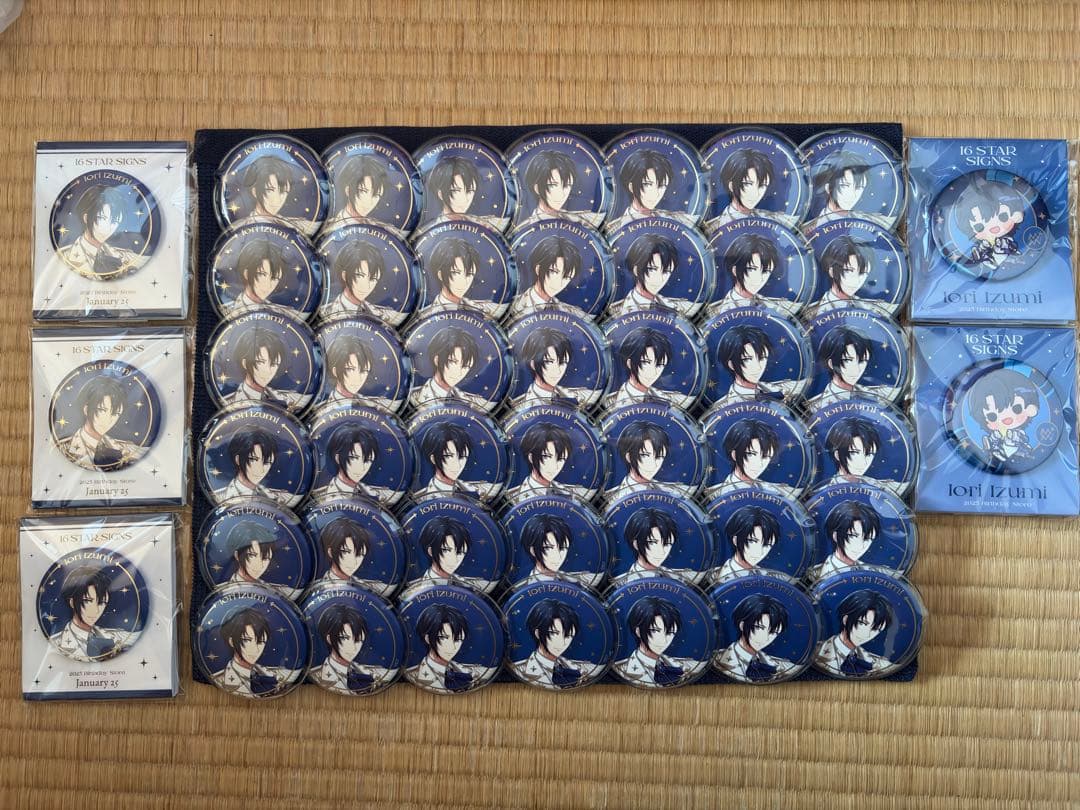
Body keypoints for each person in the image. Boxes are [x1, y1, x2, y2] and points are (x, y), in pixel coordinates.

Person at [57, 374, 147, 471]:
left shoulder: (126, 449)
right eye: (102, 410)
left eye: (116, 413)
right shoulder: (62, 449)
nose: (109, 419)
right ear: (86, 409)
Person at [405, 603, 498, 693]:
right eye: (444, 638)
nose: (452, 647)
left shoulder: (475, 672)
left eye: (458, 639)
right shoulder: (413, 675)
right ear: (428, 639)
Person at [56, 184, 146, 277]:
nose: (108, 228)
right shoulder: (63, 257)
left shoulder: (124, 256)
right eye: (102, 218)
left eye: (115, 221)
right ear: (86, 218)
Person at [211, 606, 302, 697]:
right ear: (232, 642)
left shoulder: (272, 673)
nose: (256, 649)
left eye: (261, 642)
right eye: (247, 640)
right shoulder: (219, 680)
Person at [513, 599, 604, 689]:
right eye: (554, 633)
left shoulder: (581, 668)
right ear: (538, 633)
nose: (562, 643)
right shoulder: (519, 670)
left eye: (569, 635)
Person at [310, 603, 396, 695]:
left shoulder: (373, 672)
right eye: (345, 638)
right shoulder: (317, 675)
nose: (353, 648)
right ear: (329, 639)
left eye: (359, 640)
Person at [613, 596, 699, 687]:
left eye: (670, 633)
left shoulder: (688, 666)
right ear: (638, 631)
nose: (664, 640)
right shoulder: (620, 669)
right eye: (655, 631)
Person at [713, 593, 799, 683]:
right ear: (742, 625)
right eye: (760, 627)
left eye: (774, 632)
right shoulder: (713, 660)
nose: (765, 638)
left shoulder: (785, 667)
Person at [49, 564, 127, 662]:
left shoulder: (117, 637)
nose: (96, 611)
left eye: (102, 603)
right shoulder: (55, 643)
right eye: (88, 601)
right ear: (72, 602)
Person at [603, 327, 694, 410]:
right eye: (646, 362)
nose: (653, 372)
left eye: (660, 364)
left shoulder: (672, 400)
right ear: (629, 363)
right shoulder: (610, 402)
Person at [607, 149, 698, 231]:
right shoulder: (615, 228)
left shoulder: (676, 220)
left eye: (662, 186)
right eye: (648, 184)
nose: (656, 194)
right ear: (631, 187)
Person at [708, 233, 796, 317]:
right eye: (752, 269)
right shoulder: (713, 312)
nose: (760, 278)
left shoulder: (777, 308)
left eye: (766, 271)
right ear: (735, 270)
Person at [713, 324, 802, 406]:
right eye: (747, 359)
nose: (758, 367)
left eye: (762, 358)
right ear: (731, 364)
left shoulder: (783, 388)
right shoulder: (721, 408)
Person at [967, 367, 1040, 466]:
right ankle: (995, 451)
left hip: (1017, 451)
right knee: (997, 445)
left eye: (1016, 408)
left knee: (1015, 449)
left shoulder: (1018, 434)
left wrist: (1012, 437)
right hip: (1001, 450)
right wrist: (994, 438)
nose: (1005, 417)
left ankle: (1002, 454)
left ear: (1030, 409)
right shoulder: (998, 432)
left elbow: (1023, 439)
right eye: (992, 416)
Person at [609, 234, 695, 317]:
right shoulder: (616, 311)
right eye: (652, 269)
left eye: (667, 271)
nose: (660, 279)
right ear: (636, 270)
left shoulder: (676, 307)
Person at [707, 420, 797, 498]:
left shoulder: (779, 492)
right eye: (751, 454)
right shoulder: (714, 494)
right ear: (734, 454)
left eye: (766, 457)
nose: (759, 464)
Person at [814, 589, 894, 677]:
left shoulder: (880, 665)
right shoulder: (813, 652)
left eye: (877, 629)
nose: (867, 634)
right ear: (845, 619)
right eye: (863, 623)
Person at [410, 326, 491, 410]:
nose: (459, 372)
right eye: (453, 361)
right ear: (437, 360)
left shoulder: (472, 403)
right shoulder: (412, 397)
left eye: (466, 366)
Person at [310, 424, 396, 504]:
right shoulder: (324, 496)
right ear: (338, 458)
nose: (362, 468)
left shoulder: (375, 493)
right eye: (354, 458)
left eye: (368, 460)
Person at [322, 239, 402, 325]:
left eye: (373, 279)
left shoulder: (386, 315)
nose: (367, 286)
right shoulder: (324, 311)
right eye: (360, 275)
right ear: (344, 275)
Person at [809, 326, 894, 407]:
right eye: (848, 360)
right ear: (830, 363)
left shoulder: (879, 396)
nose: (856, 370)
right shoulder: (814, 406)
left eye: (863, 361)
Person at [223, 326, 305, 409]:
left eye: (274, 364)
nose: (268, 371)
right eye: (260, 362)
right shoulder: (228, 404)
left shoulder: (288, 400)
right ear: (244, 363)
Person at [512, 328, 595, 408]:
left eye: (563, 362)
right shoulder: (519, 407)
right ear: (533, 364)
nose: (558, 371)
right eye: (549, 362)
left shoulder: (578, 395)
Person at [413, 422, 499, 500]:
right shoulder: (420, 499)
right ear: (433, 458)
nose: (457, 465)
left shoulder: (478, 491)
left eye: (463, 456)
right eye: (448, 456)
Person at [606, 422, 692, 500]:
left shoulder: (673, 492)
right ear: (629, 457)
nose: (654, 465)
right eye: (645, 455)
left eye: (660, 457)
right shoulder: (612, 497)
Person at [506, 422, 590, 500]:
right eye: (547, 456)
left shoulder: (570, 493)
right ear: (531, 457)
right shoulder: (512, 496)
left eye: (561, 459)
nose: (554, 466)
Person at [954, 177, 1025, 269]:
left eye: (1003, 217)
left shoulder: (1006, 240)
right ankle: (987, 259)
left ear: (1016, 216)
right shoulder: (983, 243)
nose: (993, 227)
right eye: (980, 227)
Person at [613, 508, 698, 584]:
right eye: (653, 542)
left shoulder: (681, 578)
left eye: (667, 544)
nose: (661, 552)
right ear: (636, 544)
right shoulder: (619, 583)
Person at [823, 416, 904, 495]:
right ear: (837, 455)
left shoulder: (883, 488)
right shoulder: (823, 493)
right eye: (854, 453)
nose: (864, 462)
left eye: (870, 454)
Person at [423, 237, 500, 317]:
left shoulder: (481, 310)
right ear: (440, 275)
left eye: (470, 274)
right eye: (455, 272)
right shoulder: (426, 315)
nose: (463, 281)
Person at [411, 515, 493, 591]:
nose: (454, 560)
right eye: (446, 550)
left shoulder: (468, 585)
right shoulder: (415, 589)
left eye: (460, 552)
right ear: (431, 551)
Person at [213, 428, 292, 505]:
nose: (261, 470)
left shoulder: (278, 498)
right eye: (254, 459)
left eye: (267, 462)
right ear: (238, 460)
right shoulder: (219, 497)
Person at [323, 333, 400, 411]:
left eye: (364, 371)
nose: (358, 379)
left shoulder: (375, 405)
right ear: (335, 371)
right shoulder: (323, 410)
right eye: (350, 369)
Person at [508, 236, 582, 317]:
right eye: (554, 271)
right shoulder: (509, 305)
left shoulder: (573, 314)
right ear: (538, 269)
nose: (559, 283)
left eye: (567, 277)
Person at [806, 501, 882, 580]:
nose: (861, 546)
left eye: (868, 539)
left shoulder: (874, 572)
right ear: (835, 536)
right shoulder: (814, 574)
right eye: (853, 536)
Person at [424, 155, 503, 229]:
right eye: (456, 191)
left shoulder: (484, 224)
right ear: (440, 194)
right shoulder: (430, 229)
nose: (465, 199)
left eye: (470, 191)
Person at [516, 150, 593, 226]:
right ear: (537, 188)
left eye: (567, 185)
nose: (562, 194)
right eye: (553, 185)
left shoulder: (579, 219)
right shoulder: (526, 226)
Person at [234, 155, 308, 230]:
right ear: (255, 192)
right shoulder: (238, 227)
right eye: (270, 190)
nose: (277, 200)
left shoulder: (297, 226)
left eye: (284, 192)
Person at [517, 514, 593, 585]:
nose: (558, 556)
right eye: (548, 548)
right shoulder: (520, 588)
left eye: (563, 548)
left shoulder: (575, 580)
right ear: (533, 550)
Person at [712, 506, 782, 581]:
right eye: (752, 541)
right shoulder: (714, 576)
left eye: (768, 545)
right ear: (735, 540)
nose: (759, 552)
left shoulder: (770, 577)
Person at [316, 517, 386, 591]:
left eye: (360, 554)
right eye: (346, 552)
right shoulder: (316, 588)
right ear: (330, 552)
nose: (354, 562)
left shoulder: (369, 587)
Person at [808, 236, 874, 314]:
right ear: (831, 271)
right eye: (849, 271)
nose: (857, 281)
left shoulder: (872, 309)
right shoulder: (810, 313)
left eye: (863, 273)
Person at [324, 154, 389, 232]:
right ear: (347, 190)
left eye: (377, 195)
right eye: (363, 191)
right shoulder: (330, 228)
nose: (369, 202)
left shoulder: (381, 229)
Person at [711, 148, 774, 227]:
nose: (756, 193)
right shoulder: (713, 227)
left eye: (763, 185)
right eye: (748, 184)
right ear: (731, 186)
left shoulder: (773, 219)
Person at [810, 150, 870, 224]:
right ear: (828, 188)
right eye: (844, 185)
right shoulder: (810, 227)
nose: (852, 195)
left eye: (859, 187)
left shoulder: (868, 222)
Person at [226, 239, 286, 312]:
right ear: (246, 274)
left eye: (275, 278)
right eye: (262, 274)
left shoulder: (283, 312)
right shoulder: (228, 311)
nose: (268, 285)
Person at [223, 521, 280, 588]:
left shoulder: (279, 591)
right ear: (237, 555)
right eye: (252, 555)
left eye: (266, 558)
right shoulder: (222, 591)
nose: (260, 566)